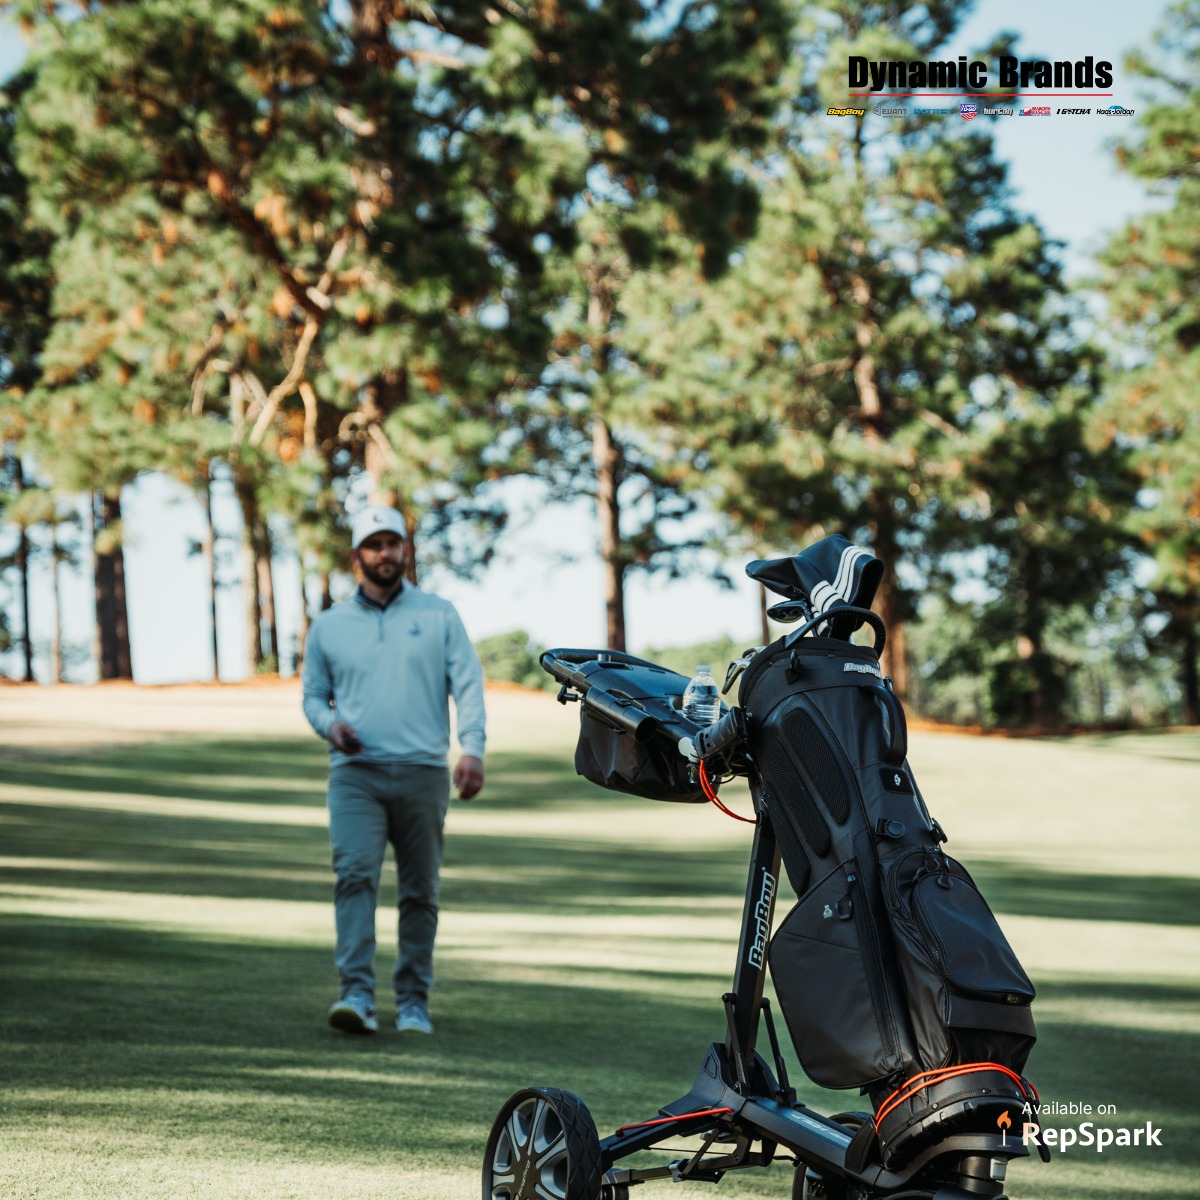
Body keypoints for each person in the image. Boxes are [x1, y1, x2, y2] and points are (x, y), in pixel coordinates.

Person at [302, 506, 486, 1036]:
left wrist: (471, 749)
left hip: (424, 771)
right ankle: (357, 996)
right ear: (357, 554)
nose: (385, 553)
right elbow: (314, 696)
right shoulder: (330, 625)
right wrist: (329, 726)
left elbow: (468, 687)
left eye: (394, 543)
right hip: (356, 774)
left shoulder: (439, 614)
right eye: (374, 544)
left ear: (406, 551)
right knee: (355, 876)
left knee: (419, 890)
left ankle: (412, 1002)